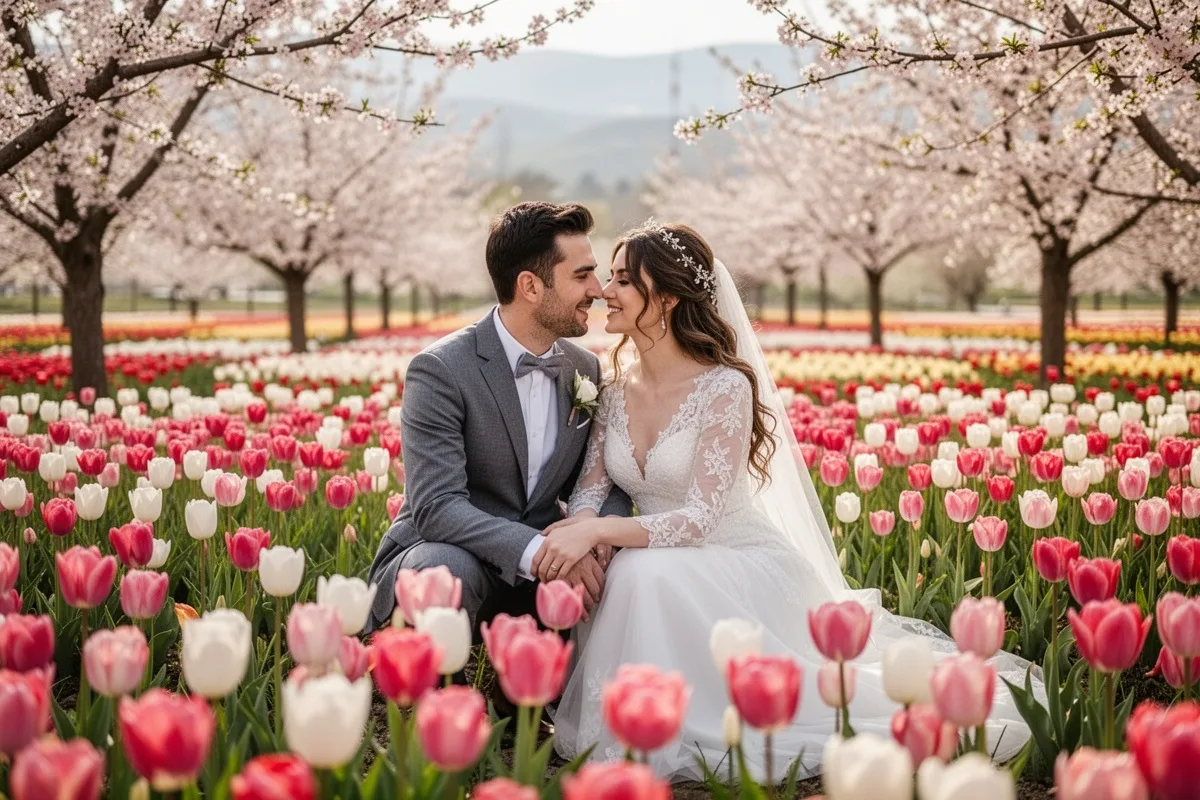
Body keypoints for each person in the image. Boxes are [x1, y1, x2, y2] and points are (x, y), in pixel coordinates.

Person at [543, 219, 1039, 781]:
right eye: (609, 277)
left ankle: (687, 722)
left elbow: (700, 519)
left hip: (730, 555)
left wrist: (599, 533)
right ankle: (637, 719)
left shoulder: (722, 387)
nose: (606, 291)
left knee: (641, 574)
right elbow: (590, 489)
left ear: (670, 299)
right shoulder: (614, 387)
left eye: (624, 280)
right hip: (659, 553)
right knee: (637, 570)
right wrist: (581, 529)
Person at [365, 201, 631, 635]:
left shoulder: (584, 368)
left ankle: (531, 696)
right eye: (581, 275)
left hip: (547, 561)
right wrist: (543, 551)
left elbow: (600, 478)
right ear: (530, 286)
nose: (597, 290)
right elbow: (437, 507)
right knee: (441, 570)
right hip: (455, 553)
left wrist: (596, 536)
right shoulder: (441, 370)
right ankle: (440, 696)